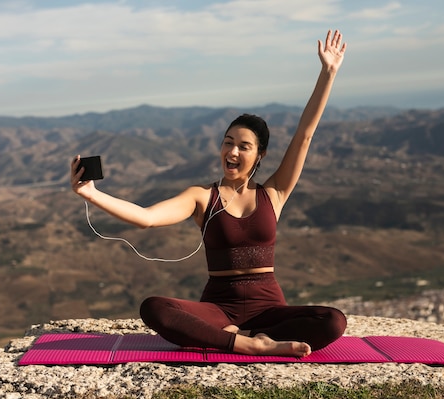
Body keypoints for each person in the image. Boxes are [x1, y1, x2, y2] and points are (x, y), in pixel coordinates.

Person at [71, 29, 348, 358]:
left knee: (333, 321)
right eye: (227, 142)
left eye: (243, 146)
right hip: (218, 310)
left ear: (259, 156)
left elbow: (304, 134)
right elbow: (146, 218)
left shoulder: (274, 193)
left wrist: (327, 73)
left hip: (269, 312)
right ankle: (247, 343)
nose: (232, 151)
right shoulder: (202, 197)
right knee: (154, 308)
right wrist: (91, 194)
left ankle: (241, 338)